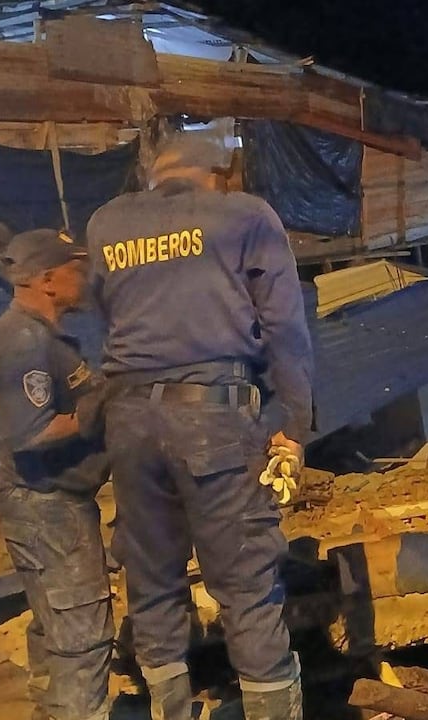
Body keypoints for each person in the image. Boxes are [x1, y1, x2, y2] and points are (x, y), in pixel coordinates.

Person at [86, 133, 312, 720]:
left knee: (152, 576)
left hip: (129, 419)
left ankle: (169, 710)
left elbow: (108, 313)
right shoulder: (244, 216)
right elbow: (285, 328)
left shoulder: (106, 224)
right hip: (211, 414)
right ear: (222, 171)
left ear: (154, 173)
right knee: (246, 583)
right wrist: (292, 424)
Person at [0, 229, 113, 720]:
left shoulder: (26, 334)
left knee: (53, 629)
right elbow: (31, 432)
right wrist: (94, 414)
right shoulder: (25, 340)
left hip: (37, 503)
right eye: (78, 270)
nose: (87, 279)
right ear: (49, 280)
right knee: (83, 642)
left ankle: (49, 712)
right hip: (49, 506)